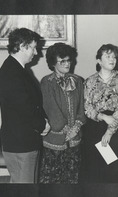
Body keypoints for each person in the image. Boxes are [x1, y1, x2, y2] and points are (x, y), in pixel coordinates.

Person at [0, 28, 49, 183]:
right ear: (21, 46)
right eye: (33, 48)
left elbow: (30, 104)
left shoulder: (15, 69)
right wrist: (43, 125)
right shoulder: (13, 73)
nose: (36, 53)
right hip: (22, 144)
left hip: (20, 141)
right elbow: (25, 108)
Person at [38, 43, 86, 184]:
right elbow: (51, 110)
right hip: (54, 141)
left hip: (75, 140)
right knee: (52, 180)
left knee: (72, 178)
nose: (67, 64)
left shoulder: (77, 80)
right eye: (62, 61)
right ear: (53, 63)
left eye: (68, 60)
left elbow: (81, 109)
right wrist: (67, 131)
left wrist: (76, 128)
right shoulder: (47, 82)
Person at [82, 44, 118, 183]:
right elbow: (87, 107)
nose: (112, 59)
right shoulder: (90, 81)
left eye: (114, 56)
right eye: (108, 56)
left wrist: (109, 132)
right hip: (94, 127)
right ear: (99, 61)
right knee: (95, 168)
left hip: (116, 128)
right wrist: (102, 116)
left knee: (114, 168)